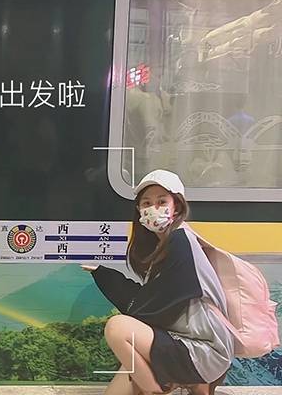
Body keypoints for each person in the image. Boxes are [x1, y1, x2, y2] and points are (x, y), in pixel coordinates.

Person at [81, 169, 233, 395]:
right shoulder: (163, 248)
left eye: (162, 202)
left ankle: (157, 390)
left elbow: (155, 304)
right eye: (146, 203)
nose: (153, 209)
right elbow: (151, 299)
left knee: (117, 327)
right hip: (178, 343)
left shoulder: (181, 241)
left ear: (176, 207)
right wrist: (104, 274)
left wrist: (109, 280)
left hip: (203, 350)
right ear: (139, 210)